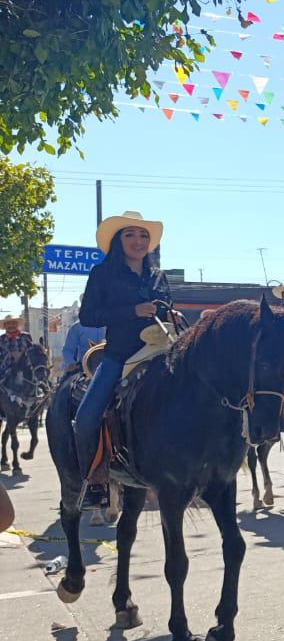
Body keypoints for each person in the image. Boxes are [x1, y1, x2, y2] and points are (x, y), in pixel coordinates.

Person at [74, 211, 171, 507]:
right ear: (119, 241)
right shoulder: (102, 274)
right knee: (85, 418)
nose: (138, 241)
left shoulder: (158, 275)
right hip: (120, 355)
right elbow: (88, 315)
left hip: (160, 352)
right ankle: (93, 480)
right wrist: (132, 311)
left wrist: (170, 313)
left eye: (143, 236)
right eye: (130, 235)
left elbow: (165, 309)